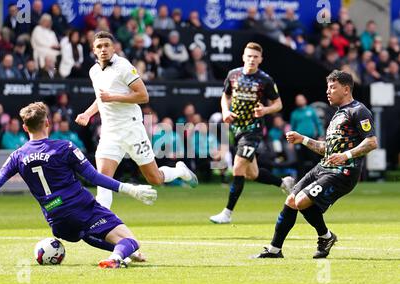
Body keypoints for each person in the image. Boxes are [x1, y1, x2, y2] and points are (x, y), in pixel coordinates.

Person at [0, 102, 158, 269]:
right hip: (81, 208)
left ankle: (121, 252)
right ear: (47, 123)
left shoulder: (18, 156)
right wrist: (129, 188)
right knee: (131, 241)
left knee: (87, 234)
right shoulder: (63, 147)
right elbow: (93, 177)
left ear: (24, 128)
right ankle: (116, 257)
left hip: (58, 222)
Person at [253, 70, 378, 259]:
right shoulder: (337, 115)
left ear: (346, 89)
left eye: (332, 87)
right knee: (291, 200)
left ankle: (324, 237)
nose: (328, 91)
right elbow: (327, 149)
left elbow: (372, 142)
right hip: (324, 167)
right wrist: (302, 139)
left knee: (302, 200)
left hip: (343, 172)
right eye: (327, 87)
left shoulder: (358, 110)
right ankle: (275, 250)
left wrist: (346, 155)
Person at [75, 31, 197, 210]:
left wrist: (114, 97)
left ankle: (179, 171)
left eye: (106, 45)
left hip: (131, 129)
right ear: (94, 50)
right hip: (110, 132)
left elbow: (143, 95)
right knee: (103, 180)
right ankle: (102, 225)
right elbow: (102, 98)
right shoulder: (94, 71)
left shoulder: (123, 66)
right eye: (99, 46)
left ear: (114, 47)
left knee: (154, 178)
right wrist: (88, 114)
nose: (103, 49)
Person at [209, 42, 295, 224]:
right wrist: (225, 111)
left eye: (255, 57)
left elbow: (278, 104)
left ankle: (227, 213)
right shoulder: (233, 75)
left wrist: (265, 110)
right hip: (236, 129)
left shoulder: (265, 79)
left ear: (260, 59)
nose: (252, 59)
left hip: (253, 130)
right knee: (252, 174)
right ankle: (283, 182)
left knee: (238, 167)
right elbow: (225, 96)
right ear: (243, 57)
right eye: (249, 56)